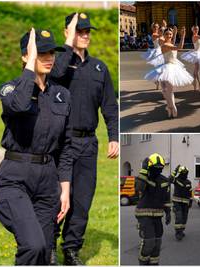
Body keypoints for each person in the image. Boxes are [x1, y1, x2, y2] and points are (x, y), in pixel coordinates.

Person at [0, 28, 72, 265]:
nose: (49, 58)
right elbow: (18, 106)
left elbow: (66, 145)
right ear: (26, 56)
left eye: (52, 53)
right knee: (32, 245)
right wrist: (30, 68)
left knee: (45, 252)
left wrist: (65, 188)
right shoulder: (10, 89)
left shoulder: (62, 95)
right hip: (15, 178)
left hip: (48, 181)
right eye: (41, 53)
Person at [50, 13, 119, 265]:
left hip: (88, 143)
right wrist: (67, 43)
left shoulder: (99, 67)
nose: (86, 34)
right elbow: (55, 75)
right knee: (57, 197)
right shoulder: (58, 64)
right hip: (60, 143)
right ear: (68, 32)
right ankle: (49, 247)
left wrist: (114, 136)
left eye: (88, 30)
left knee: (82, 201)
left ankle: (71, 249)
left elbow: (110, 106)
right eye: (80, 30)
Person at [144, 26, 193, 119]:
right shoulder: (165, 45)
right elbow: (179, 47)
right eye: (167, 34)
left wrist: (176, 33)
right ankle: (172, 106)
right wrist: (182, 36)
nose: (169, 35)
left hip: (173, 66)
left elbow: (174, 44)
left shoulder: (170, 43)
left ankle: (169, 107)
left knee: (170, 90)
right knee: (169, 90)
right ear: (164, 35)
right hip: (167, 68)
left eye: (170, 34)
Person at [135, 153, 171, 265]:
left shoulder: (164, 180)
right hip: (144, 214)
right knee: (149, 242)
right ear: (149, 167)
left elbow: (166, 198)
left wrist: (168, 212)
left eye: (159, 168)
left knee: (157, 243)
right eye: (155, 168)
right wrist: (144, 170)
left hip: (158, 216)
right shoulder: (143, 178)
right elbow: (139, 188)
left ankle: (154, 263)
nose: (157, 170)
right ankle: (143, 262)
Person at [180, 21, 200, 91]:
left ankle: (195, 84)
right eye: (195, 29)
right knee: (196, 71)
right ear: (192, 30)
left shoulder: (196, 36)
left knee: (196, 71)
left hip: (198, 53)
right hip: (197, 53)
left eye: (197, 29)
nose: (196, 30)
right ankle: (198, 84)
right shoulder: (195, 36)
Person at [169, 165, 192, 241]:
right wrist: (175, 171)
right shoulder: (176, 180)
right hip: (177, 202)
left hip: (185, 203)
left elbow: (190, 193)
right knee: (179, 217)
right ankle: (178, 233)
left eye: (186, 172)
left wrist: (190, 201)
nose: (185, 174)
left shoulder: (188, 182)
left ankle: (181, 230)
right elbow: (170, 179)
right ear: (180, 173)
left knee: (184, 218)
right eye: (183, 172)